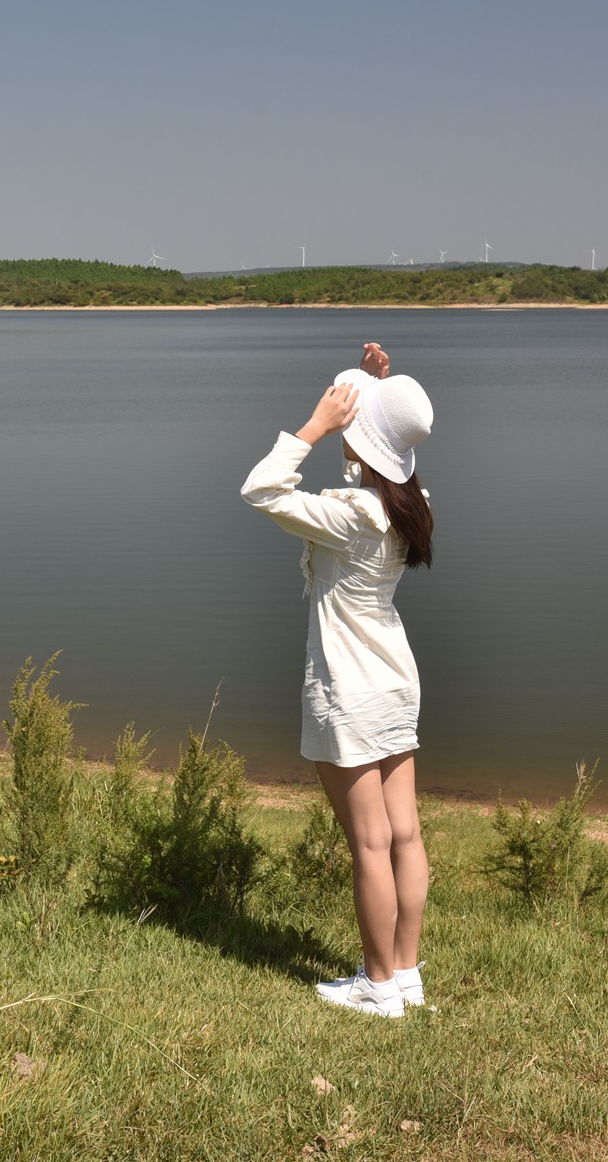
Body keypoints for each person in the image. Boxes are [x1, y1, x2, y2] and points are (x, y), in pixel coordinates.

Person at [239, 341, 435, 1019]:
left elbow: (261, 489)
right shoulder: (411, 504)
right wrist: (375, 399)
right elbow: (383, 470)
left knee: (370, 842)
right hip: (395, 677)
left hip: (348, 689)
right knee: (404, 834)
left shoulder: (350, 518)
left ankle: (377, 986)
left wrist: (315, 427)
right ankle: (403, 972)